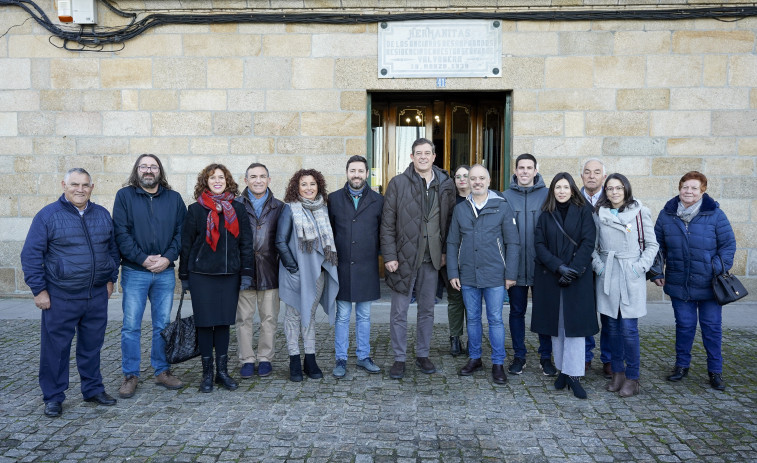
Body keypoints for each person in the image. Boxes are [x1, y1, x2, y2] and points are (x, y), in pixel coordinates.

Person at [21, 168, 120, 417]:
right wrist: (39, 290)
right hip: (61, 295)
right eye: (75, 184)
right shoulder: (47, 216)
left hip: (96, 295)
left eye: (85, 185)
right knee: (56, 348)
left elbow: (113, 250)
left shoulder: (102, 214)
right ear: (64, 184)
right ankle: (53, 397)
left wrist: (110, 279)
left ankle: (93, 389)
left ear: (92, 187)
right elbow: (31, 255)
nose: (80, 189)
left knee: (92, 346)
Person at [113, 154, 187, 399]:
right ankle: (130, 375)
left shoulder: (174, 199)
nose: (148, 170)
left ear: (160, 171)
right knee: (131, 326)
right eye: (143, 166)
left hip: (165, 273)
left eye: (153, 166)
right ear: (137, 170)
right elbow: (121, 233)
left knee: (161, 325)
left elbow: (181, 233)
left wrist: (167, 258)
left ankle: (162, 371)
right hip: (135, 271)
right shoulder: (124, 197)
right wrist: (143, 258)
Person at [380, 137, 456, 379]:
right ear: (411, 157)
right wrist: (389, 255)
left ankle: (423, 354)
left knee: (427, 310)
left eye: (427, 153)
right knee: (399, 312)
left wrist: (445, 252)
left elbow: (450, 222)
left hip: (432, 258)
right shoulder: (398, 183)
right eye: (418, 153)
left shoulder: (446, 183)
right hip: (403, 258)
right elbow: (387, 223)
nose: (423, 157)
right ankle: (399, 358)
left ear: (434, 157)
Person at [653, 171, 736, 391]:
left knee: (711, 327)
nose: (688, 191)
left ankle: (715, 371)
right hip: (680, 282)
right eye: (685, 187)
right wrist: (657, 272)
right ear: (679, 188)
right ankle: (681, 366)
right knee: (685, 326)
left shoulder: (716, 214)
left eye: (694, 188)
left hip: (711, 285)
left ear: (703, 191)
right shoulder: (666, 215)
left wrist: (715, 267)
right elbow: (657, 246)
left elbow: (728, 246)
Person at [179, 164, 254, 393]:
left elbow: (246, 244)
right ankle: (207, 374)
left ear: (227, 181)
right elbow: (186, 245)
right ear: (206, 182)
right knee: (204, 324)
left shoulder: (237, 209)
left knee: (222, 324)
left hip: (228, 275)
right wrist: (184, 276)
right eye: (212, 178)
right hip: (201, 275)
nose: (217, 181)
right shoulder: (195, 210)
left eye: (221, 177)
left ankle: (222, 372)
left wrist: (246, 273)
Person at [447, 165, 520, 385]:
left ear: (489, 181)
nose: (477, 182)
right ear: (468, 182)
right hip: (468, 273)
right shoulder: (461, 209)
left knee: (496, 319)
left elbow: (512, 242)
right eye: (473, 178)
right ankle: (475, 358)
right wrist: (453, 272)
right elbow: (452, 242)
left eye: (481, 178)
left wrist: (511, 274)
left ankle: (498, 363)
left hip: (495, 274)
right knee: (473, 319)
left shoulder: (502, 206)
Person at [531, 172, 598, 399]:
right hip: (551, 276)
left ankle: (575, 375)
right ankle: (562, 371)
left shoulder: (584, 212)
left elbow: (589, 242)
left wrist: (573, 270)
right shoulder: (545, 215)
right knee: (556, 327)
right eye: (557, 187)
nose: (561, 191)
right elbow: (539, 245)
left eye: (565, 187)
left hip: (577, 278)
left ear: (572, 190)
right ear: (552, 191)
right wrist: (559, 267)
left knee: (575, 330)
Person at [592, 173, 658, 398]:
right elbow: (592, 246)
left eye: (618, 188)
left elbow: (652, 244)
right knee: (610, 329)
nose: (614, 192)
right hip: (608, 274)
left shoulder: (640, 212)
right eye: (610, 189)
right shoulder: (598, 214)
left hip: (631, 274)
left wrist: (638, 268)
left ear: (626, 189)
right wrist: (599, 267)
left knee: (629, 330)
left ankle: (633, 377)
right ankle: (617, 373)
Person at [276, 169, 339, 382]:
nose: (309, 188)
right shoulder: (289, 209)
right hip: (295, 273)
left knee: (309, 316)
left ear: (318, 186)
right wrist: (293, 269)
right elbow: (280, 242)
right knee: (294, 316)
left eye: (313, 184)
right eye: (304, 184)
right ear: (297, 187)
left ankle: (310, 359)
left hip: (317, 274)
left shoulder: (323, 209)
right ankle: (294, 359)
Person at [501, 153, 556, 377]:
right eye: (521, 168)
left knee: (544, 313)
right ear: (515, 171)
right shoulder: (504, 197)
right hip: (515, 267)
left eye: (529, 168)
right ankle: (519, 356)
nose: (524, 171)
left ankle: (546, 357)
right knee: (516, 312)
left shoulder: (548, 196)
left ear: (536, 170)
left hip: (541, 266)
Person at [328, 155, 383, 377]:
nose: (356, 175)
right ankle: (340, 358)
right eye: (353, 171)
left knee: (364, 315)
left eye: (360, 171)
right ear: (347, 172)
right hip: (341, 266)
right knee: (342, 315)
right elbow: (329, 233)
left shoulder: (379, 200)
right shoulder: (333, 199)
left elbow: (383, 233)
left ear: (367, 174)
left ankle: (363, 356)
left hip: (367, 266)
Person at [234, 163, 284, 379]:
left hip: (270, 270)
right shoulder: (235, 205)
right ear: (245, 180)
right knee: (243, 318)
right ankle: (246, 358)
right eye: (253, 176)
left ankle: (265, 358)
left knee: (269, 318)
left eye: (262, 176)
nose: (258, 180)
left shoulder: (280, 207)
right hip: (244, 271)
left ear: (269, 180)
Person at [580, 158, 612, 378]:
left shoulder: (613, 198)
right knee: (584, 312)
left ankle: (609, 358)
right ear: (581, 176)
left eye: (597, 172)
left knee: (609, 313)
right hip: (581, 264)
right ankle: (584, 356)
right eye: (587, 172)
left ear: (604, 176)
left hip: (607, 266)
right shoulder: (573, 199)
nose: (592, 176)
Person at [445, 164, 471, 356]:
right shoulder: (448, 202)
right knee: (455, 299)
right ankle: (455, 338)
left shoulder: (480, 198)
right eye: (458, 176)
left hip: (475, 257)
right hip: (453, 256)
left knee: (473, 301)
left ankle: (474, 338)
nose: (462, 179)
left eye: (466, 176)